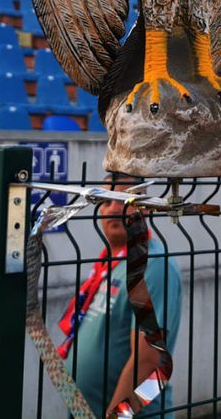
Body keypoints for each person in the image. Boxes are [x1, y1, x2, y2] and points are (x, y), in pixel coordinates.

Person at [61, 178, 182, 417]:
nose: (113, 209)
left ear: (145, 207)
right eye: (106, 202)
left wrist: (118, 416)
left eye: (123, 200)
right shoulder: (109, 264)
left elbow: (150, 358)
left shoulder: (151, 265)